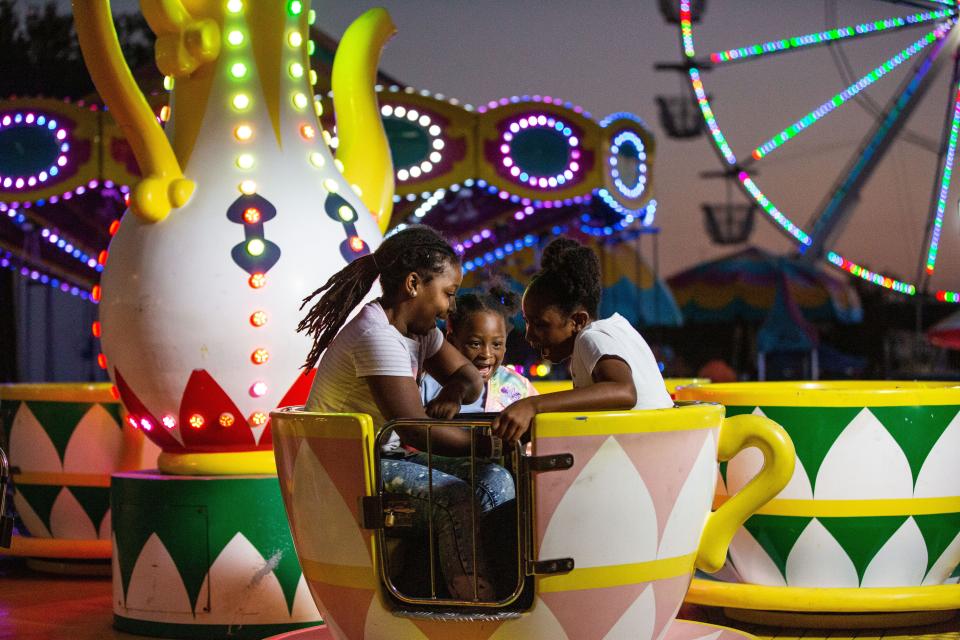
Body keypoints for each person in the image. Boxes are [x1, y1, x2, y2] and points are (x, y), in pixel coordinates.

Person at [297, 226, 509, 601]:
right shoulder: (376, 336)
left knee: (496, 480)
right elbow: (414, 430)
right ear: (414, 284)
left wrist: (453, 392)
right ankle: (471, 602)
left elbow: (469, 378)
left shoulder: (417, 332)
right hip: (348, 469)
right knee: (454, 496)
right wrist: (487, 443)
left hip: (385, 459)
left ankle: (488, 583)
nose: (450, 306)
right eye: (448, 293)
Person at [492, 237, 673, 443]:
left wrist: (532, 405)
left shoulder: (591, 337)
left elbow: (624, 391)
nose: (529, 335)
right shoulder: (618, 330)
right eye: (526, 322)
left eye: (540, 324)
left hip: (644, 458)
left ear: (578, 320)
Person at [421, 285, 537, 413]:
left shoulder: (519, 386)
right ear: (452, 342)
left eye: (497, 344)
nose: (486, 354)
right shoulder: (428, 385)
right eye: (475, 344)